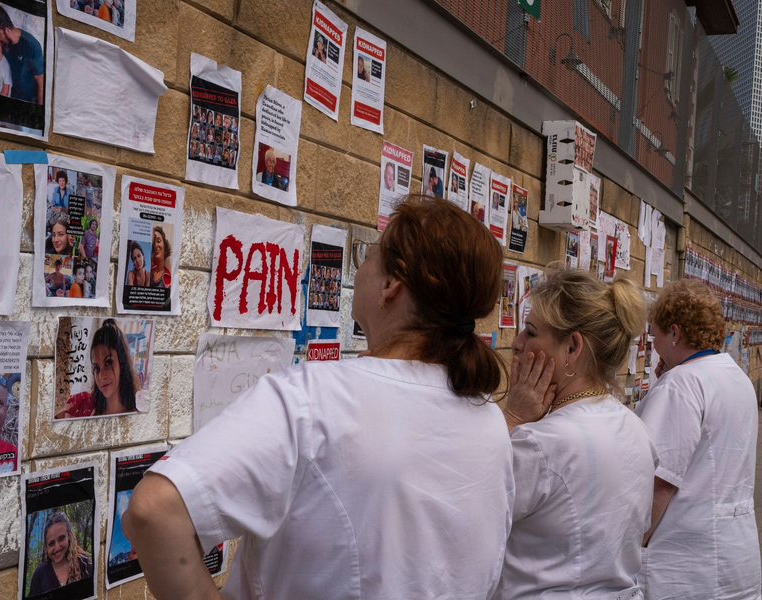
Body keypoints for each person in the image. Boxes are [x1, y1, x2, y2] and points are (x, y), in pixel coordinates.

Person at [123, 197, 516, 600]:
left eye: (369, 254)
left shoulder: (313, 398)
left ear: (390, 285)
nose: (360, 266)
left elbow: (154, 511)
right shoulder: (489, 422)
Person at [496, 269, 657, 599]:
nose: (516, 344)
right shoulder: (636, 428)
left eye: (530, 332)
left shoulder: (541, 443)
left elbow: (466, 513)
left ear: (572, 347)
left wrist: (511, 418)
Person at [636, 279, 762, 599]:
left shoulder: (680, 385)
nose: (654, 346)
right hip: (736, 552)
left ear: (675, 333)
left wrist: (633, 544)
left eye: (656, 335)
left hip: (685, 562)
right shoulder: (735, 377)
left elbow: (659, 482)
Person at [56, 319, 142, 418]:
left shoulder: (137, 415)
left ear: (122, 363)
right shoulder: (81, 404)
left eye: (108, 363)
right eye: (96, 368)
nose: (101, 376)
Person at [0, 4, 44, 104]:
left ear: (7, 30)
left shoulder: (31, 45)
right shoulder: (4, 44)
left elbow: (41, 82)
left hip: (30, 101)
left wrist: (39, 113)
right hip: (13, 97)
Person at [28, 511, 93, 595]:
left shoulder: (85, 563)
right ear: (46, 547)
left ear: (69, 536)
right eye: (51, 544)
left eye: (61, 538)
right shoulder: (40, 573)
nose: (57, 547)